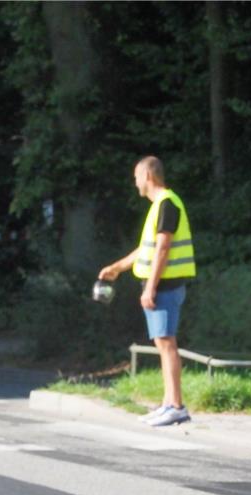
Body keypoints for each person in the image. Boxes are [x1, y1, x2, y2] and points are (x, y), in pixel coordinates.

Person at [98, 155, 196, 427]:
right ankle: (168, 404)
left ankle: (176, 406)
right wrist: (118, 267)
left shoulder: (167, 204)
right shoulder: (159, 206)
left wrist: (150, 287)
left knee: (166, 344)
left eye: (137, 178)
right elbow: (148, 249)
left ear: (148, 177)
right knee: (162, 343)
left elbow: (164, 249)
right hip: (161, 285)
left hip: (164, 285)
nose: (135, 183)